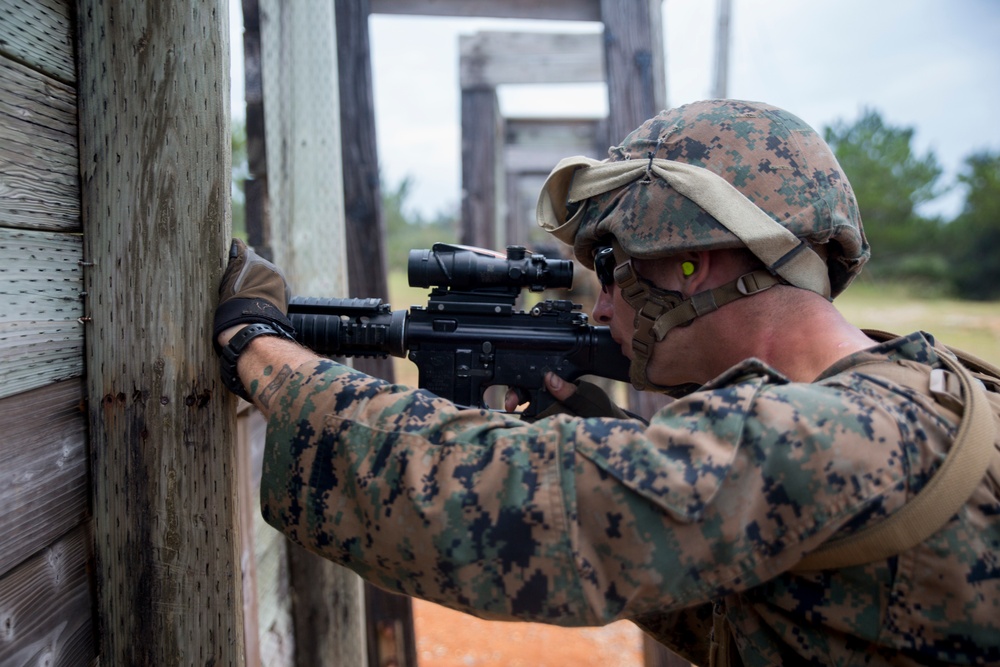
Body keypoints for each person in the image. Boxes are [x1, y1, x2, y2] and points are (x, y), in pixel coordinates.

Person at [213, 99, 1000, 666]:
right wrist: (621, 444)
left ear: (700, 258)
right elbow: (755, 594)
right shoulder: (937, 385)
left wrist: (261, 350)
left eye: (616, 268)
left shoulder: (824, 436)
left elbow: (498, 509)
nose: (604, 300)